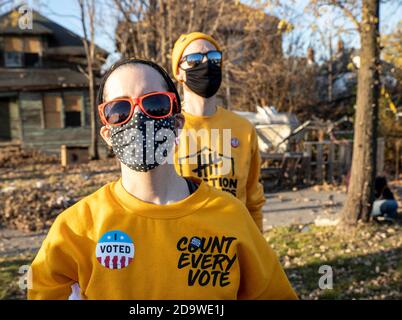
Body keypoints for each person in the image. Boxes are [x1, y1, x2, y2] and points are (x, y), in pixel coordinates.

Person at [27, 58, 297, 300]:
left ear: (178, 123)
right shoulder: (75, 228)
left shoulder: (230, 215)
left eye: (155, 103)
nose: (139, 117)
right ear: (108, 134)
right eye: (119, 110)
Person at [171, 32, 266, 232]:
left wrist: (257, 251)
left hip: (233, 242)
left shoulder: (243, 129)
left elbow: (253, 202)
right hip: (180, 246)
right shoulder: (166, 130)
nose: (206, 64)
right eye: (195, 59)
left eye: (214, 58)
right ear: (179, 72)